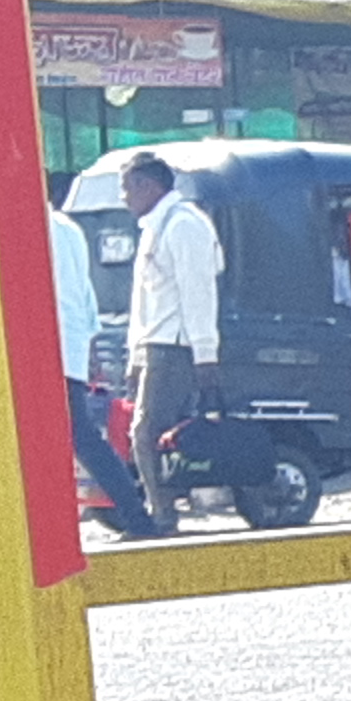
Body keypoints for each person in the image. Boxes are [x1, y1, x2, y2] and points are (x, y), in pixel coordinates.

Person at [51, 175, 157, 536]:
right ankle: (135, 516)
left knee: (68, 439)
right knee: (82, 438)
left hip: (42, 350)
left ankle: (133, 518)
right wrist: (89, 346)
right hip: (71, 347)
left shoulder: (27, 230)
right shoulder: (68, 229)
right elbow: (85, 293)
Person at [120, 153, 224, 505]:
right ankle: (168, 500)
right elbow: (143, 302)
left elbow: (199, 293)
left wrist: (205, 355)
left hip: (175, 346)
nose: (124, 198)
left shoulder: (184, 225)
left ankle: (161, 514)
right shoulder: (155, 227)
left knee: (144, 432)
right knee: (152, 432)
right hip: (155, 345)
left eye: (127, 189)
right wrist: (135, 356)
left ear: (147, 186)